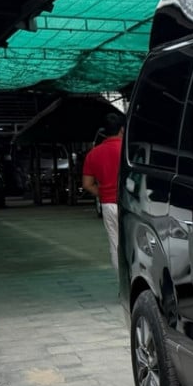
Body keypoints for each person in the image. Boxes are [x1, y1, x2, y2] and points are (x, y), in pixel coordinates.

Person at [82, 111, 124, 274]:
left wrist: (104, 194)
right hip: (130, 204)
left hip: (108, 205)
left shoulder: (93, 154)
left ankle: (121, 283)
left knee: (115, 244)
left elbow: (87, 184)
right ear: (122, 129)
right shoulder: (129, 151)